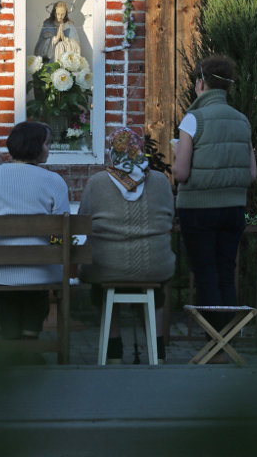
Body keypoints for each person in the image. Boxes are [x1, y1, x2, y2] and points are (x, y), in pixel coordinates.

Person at [173, 55, 257, 339]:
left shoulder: (192, 119)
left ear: (201, 83)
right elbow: (252, 173)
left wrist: (176, 156)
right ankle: (227, 340)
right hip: (233, 208)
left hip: (198, 209)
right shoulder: (242, 121)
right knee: (225, 270)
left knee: (206, 273)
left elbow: (181, 173)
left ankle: (215, 342)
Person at [78, 127, 175, 364]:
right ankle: (158, 350)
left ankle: (113, 351)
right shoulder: (161, 181)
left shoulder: (97, 183)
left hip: (106, 265)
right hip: (156, 265)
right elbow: (170, 217)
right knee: (157, 289)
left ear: (112, 150)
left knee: (101, 286)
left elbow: (83, 223)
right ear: (139, 150)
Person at [0, 121, 70, 340]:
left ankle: (11, 340)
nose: (49, 148)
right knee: (37, 281)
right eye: (47, 143)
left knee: (7, 288)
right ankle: (29, 341)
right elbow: (61, 235)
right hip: (40, 270)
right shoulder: (54, 181)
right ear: (35, 146)